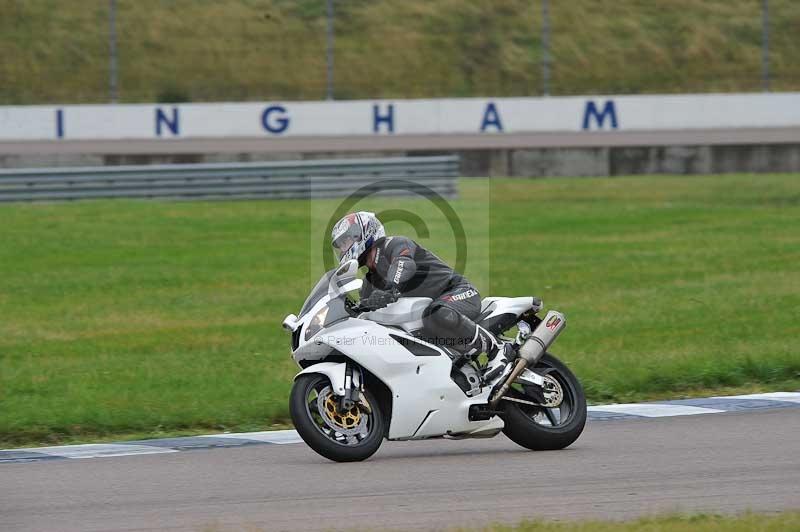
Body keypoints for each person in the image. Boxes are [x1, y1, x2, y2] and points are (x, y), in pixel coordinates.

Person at [331, 211, 511, 362]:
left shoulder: (394, 244)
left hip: (458, 292)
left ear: (362, 234)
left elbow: (404, 264)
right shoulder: (370, 282)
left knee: (436, 313)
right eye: (340, 245)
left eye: (345, 241)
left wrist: (391, 287)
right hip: (432, 316)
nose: (343, 249)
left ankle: (497, 349)